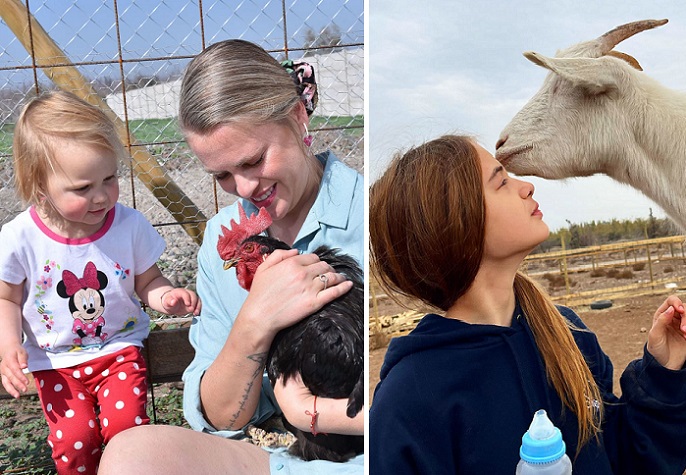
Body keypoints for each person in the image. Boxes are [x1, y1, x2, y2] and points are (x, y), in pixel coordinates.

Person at [99, 39, 364, 474]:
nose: (243, 190)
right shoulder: (224, 237)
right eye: (221, 174)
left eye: (254, 160)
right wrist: (254, 323)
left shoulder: (366, 215)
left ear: (298, 118)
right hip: (274, 448)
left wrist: (310, 414)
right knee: (134, 456)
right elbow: (224, 420)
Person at [368, 135, 686, 475]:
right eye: (501, 181)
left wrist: (664, 370)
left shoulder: (568, 335)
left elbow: (625, 460)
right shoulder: (410, 399)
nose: (527, 187)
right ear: (455, 221)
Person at [0, 91, 201, 475]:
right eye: (82, 188)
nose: (101, 196)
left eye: (110, 179)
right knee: (76, 442)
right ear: (40, 186)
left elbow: (148, 280)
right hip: (55, 362)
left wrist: (166, 296)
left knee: (128, 436)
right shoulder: (20, 237)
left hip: (119, 351)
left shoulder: (128, 225)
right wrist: (9, 346)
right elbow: (6, 299)